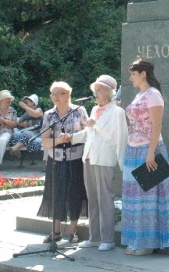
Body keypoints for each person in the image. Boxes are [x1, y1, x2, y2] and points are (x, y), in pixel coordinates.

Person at [121, 59, 169, 255]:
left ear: (143, 73)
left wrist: (151, 153)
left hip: (148, 149)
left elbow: (157, 126)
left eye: (133, 74)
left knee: (148, 197)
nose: (131, 78)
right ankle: (138, 240)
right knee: (135, 198)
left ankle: (147, 243)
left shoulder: (153, 95)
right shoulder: (140, 95)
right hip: (134, 149)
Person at [71, 75, 128, 251]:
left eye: (100, 89)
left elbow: (116, 136)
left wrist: (94, 125)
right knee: (92, 199)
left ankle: (108, 239)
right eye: (95, 89)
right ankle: (94, 237)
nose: (96, 93)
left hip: (104, 158)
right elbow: (89, 132)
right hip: (89, 157)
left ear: (110, 93)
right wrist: (71, 138)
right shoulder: (95, 109)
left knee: (105, 199)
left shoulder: (117, 112)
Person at [37, 81, 89, 244]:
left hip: (75, 159)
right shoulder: (49, 115)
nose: (55, 97)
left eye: (59, 93)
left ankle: (73, 232)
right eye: (53, 94)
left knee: (75, 193)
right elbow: (44, 141)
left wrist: (73, 138)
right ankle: (56, 231)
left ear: (68, 95)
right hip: (56, 160)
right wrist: (58, 141)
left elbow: (89, 134)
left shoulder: (79, 111)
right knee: (55, 194)